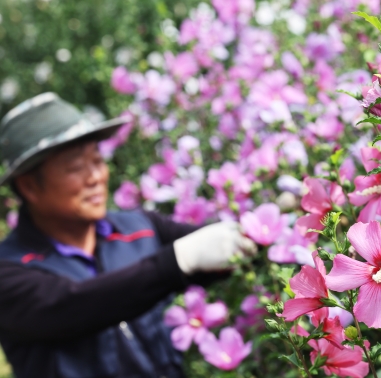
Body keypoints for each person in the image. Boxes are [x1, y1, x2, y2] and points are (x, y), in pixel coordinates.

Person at [0, 93, 255, 378]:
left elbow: (222, 251)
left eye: (97, 160)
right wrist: (176, 262)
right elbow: (73, 305)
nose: (95, 177)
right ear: (29, 187)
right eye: (75, 168)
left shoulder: (140, 228)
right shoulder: (9, 269)